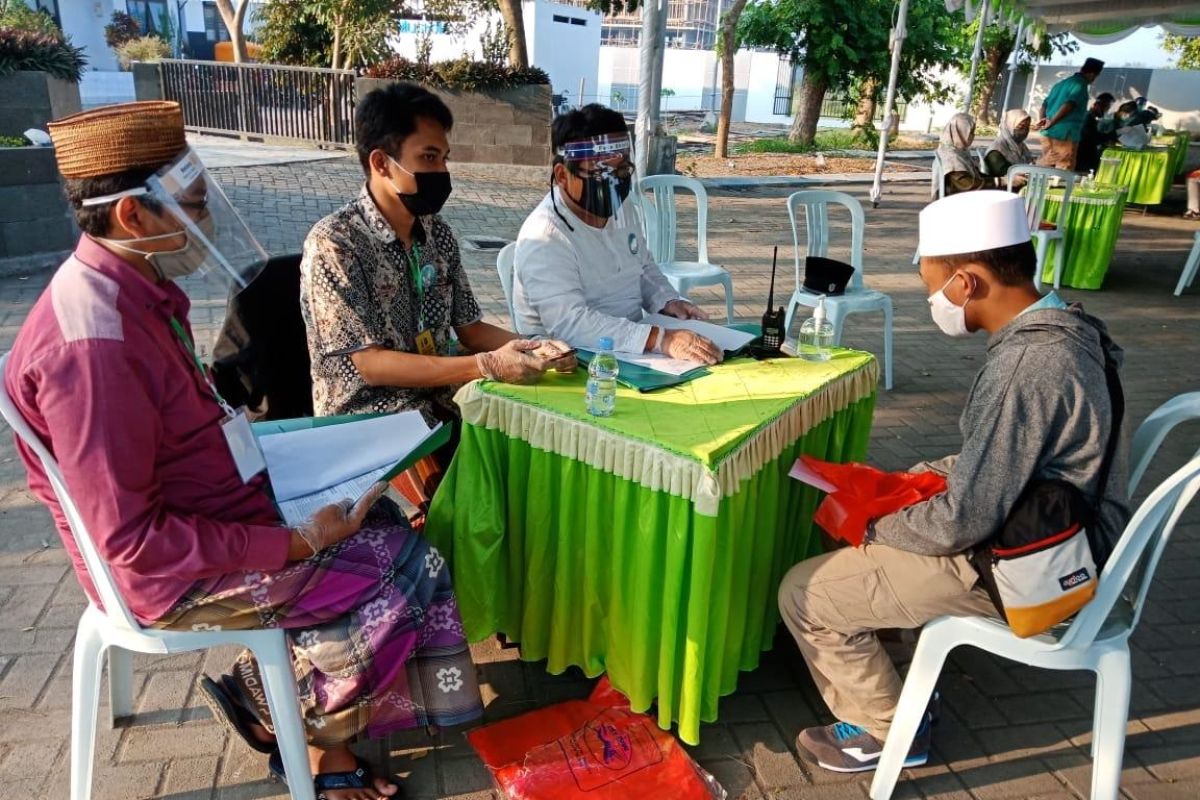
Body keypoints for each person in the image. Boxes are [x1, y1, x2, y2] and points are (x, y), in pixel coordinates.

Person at [3, 100, 483, 800]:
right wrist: (290, 543)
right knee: (409, 559)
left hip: (226, 501)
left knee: (382, 522)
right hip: (178, 576)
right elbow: (135, 543)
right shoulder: (93, 348)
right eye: (192, 204)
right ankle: (317, 744)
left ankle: (272, 694)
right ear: (133, 217)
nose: (206, 221)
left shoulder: (132, 290)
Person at [778, 190, 1129, 774]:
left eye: (932, 286)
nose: (932, 301)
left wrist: (876, 519)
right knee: (879, 512)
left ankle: (892, 730)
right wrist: (917, 480)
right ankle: (895, 674)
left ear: (968, 282)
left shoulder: (1027, 365)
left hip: (1038, 565)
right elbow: (1004, 460)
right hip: (1059, 527)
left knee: (804, 592)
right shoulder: (1067, 326)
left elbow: (965, 519)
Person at [300, 82, 576, 424]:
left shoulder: (436, 233)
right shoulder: (336, 243)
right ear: (381, 163)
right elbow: (370, 364)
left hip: (442, 396)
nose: (442, 172)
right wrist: (485, 365)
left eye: (444, 158)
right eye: (428, 157)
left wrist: (538, 348)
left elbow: (471, 329)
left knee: (544, 421)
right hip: (367, 420)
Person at [512, 103, 722, 364]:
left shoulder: (622, 208)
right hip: (567, 360)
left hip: (634, 347)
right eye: (601, 173)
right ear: (562, 175)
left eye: (622, 171)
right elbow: (570, 324)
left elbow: (642, 265)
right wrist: (661, 339)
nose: (614, 184)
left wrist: (667, 301)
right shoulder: (544, 236)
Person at [1035, 57, 1104, 170]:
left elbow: (1043, 105)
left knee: (1046, 168)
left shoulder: (1060, 84)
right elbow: (1069, 105)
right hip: (1065, 135)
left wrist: (1043, 121)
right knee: (1062, 172)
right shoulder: (1080, 85)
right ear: (1092, 74)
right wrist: (1051, 122)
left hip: (1047, 134)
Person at [937, 113, 994, 196]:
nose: (973, 136)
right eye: (970, 132)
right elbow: (967, 184)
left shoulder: (961, 151)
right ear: (958, 132)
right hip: (958, 200)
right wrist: (998, 181)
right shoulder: (951, 156)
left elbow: (976, 174)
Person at [984, 108, 1034, 185]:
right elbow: (1005, 172)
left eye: (1027, 127)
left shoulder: (1021, 146)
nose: (1025, 131)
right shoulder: (996, 151)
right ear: (1009, 126)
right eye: (1021, 127)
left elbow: (1030, 164)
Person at [1076, 92, 1116, 175]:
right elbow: (1092, 138)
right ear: (1098, 105)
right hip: (1083, 155)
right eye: (1106, 108)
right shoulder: (1088, 118)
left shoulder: (1091, 117)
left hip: (1085, 153)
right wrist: (1112, 135)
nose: (1106, 111)